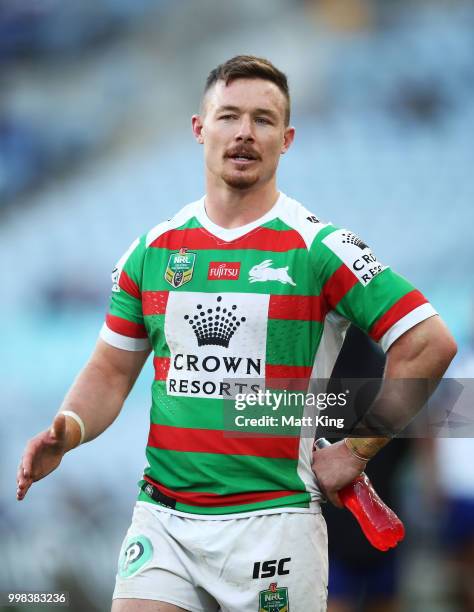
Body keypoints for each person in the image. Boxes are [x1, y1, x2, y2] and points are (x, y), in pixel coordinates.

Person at [17, 55, 457, 612]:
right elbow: (110, 368)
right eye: (228, 116)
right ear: (200, 129)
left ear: (287, 138)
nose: (244, 132)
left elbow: (430, 342)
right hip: (165, 519)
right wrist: (71, 428)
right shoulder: (152, 251)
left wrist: (358, 448)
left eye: (263, 119)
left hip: (273, 524)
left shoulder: (318, 248)